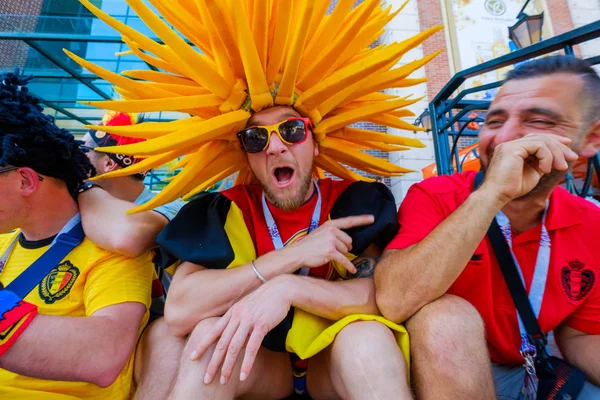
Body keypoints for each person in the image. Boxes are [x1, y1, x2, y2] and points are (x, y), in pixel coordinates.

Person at [67, 0, 447, 398]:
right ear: (246, 154)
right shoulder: (224, 210)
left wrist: (287, 290)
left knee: (366, 337)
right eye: (256, 137)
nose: (276, 147)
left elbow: (379, 297)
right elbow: (181, 310)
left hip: (331, 360)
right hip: (261, 362)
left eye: (292, 131)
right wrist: (289, 259)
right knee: (208, 341)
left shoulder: (355, 201)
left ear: (316, 144)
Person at [376, 55, 600, 399]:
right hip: (445, 373)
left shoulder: (591, 223)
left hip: (538, 372)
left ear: (592, 138)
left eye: (539, 120)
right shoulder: (434, 195)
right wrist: (493, 193)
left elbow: (580, 335)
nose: (504, 139)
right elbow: (394, 299)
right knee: (443, 315)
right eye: (493, 121)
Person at [0, 72, 154, 399]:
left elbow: (104, 353)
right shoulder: (5, 237)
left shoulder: (113, 248)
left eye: (87, 150)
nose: (81, 156)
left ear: (26, 180)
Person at [79, 111, 184, 259]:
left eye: (82, 150)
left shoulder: (172, 208)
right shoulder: (81, 205)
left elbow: (130, 237)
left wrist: (85, 188)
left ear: (109, 163)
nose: (74, 157)